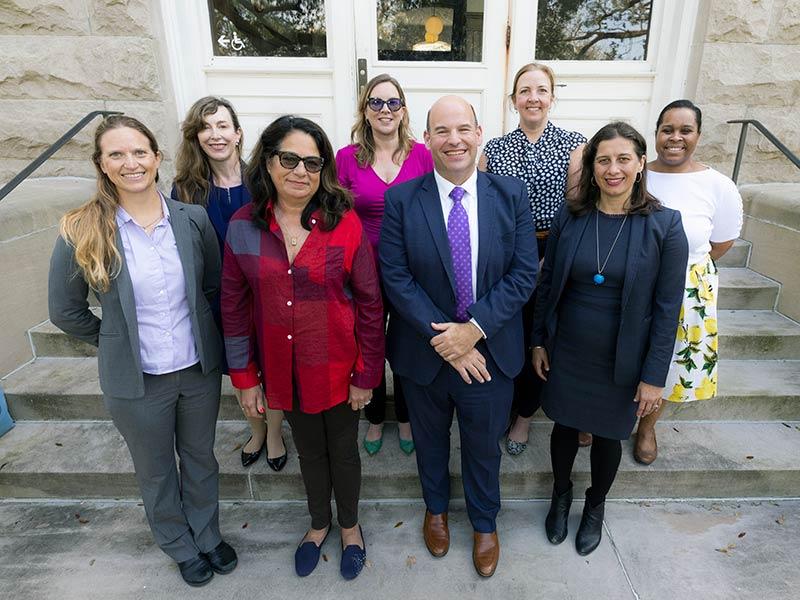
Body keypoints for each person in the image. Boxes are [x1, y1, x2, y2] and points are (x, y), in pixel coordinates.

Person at [48, 115, 237, 587]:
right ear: (102, 165)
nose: (130, 163)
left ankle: (207, 534)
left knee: (200, 459)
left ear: (156, 157)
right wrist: (115, 339)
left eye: (139, 152)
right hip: (136, 380)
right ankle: (178, 543)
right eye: (117, 154)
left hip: (196, 370)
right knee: (155, 471)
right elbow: (65, 311)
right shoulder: (81, 229)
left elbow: (211, 285)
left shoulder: (191, 219)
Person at [379, 96, 538, 577]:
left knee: (482, 445)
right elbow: (395, 275)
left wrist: (472, 331)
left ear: (479, 132)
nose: (454, 140)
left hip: (488, 354)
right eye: (442, 131)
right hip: (424, 357)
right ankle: (436, 510)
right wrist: (446, 341)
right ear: (426, 139)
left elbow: (523, 273)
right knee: (429, 443)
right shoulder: (402, 200)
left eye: (463, 129)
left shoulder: (510, 195)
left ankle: (485, 523)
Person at [221, 115, 384, 580]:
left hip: (339, 368)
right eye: (289, 159)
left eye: (312, 163)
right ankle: (318, 524)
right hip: (283, 370)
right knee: (310, 453)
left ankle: (350, 527)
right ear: (268, 161)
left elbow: (371, 304)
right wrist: (245, 376)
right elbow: (233, 307)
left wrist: (367, 374)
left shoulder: (345, 224)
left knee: (344, 451)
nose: (300, 172)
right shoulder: (243, 226)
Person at [532, 122, 688, 556]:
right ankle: (560, 496)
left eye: (623, 159)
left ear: (641, 164)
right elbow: (547, 286)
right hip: (568, 348)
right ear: (591, 166)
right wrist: (539, 340)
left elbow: (666, 309)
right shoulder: (571, 214)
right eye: (603, 160)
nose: (612, 169)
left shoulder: (665, 226)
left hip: (623, 356)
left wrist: (654, 377)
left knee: (607, 437)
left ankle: (595, 505)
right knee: (564, 426)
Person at [172, 96, 287, 471]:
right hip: (219, 297)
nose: (215, 134)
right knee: (239, 368)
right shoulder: (185, 190)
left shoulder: (263, 179)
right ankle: (255, 429)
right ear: (196, 137)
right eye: (206, 127)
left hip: (265, 291)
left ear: (238, 134)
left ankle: (273, 432)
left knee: (272, 365)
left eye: (223, 126)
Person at [479, 62, 588, 455]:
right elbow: (484, 209)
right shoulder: (493, 149)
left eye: (541, 90)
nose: (533, 98)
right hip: (505, 256)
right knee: (507, 335)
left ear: (552, 97)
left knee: (540, 337)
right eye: (525, 90)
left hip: (553, 251)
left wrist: (549, 260)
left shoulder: (574, 144)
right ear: (513, 100)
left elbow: (576, 207)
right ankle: (502, 406)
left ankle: (525, 416)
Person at [635, 99, 743, 464]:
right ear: (656, 134)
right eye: (667, 130)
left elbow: (722, 241)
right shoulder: (637, 175)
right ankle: (599, 416)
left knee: (667, 362)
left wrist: (682, 269)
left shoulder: (717, 185)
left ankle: (647, 426)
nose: (675, 138)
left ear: (698, 135)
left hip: (685, 286)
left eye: (685, 130)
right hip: (631, 282)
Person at [336, 73, 434, 456]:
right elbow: (338, 214)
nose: (385, 110)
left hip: (412, 271)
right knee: (369, 342)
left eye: (393, 102)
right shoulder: (347, 158)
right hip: (364, 269)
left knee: (409, 345)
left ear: (403, 109)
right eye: (376, 102)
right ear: (365, 110)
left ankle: (407, 416)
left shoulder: (422, 155)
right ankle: (376, 417)